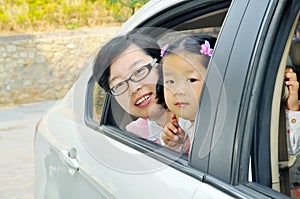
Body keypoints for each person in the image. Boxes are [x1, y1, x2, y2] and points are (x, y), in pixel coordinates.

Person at [93, 31, 172, 144]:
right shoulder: (134, 135)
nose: (134, 88)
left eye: (139, 71)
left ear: (160, 64)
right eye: (119, 85)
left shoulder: (199, 108)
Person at [156, 34, 216, 153]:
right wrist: (175, 144)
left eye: (191, 80)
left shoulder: (225, 129)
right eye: (170, 81)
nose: (178, 91)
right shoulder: (182, 123)